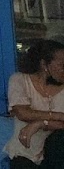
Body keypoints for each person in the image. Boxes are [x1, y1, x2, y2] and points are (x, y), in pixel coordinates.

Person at [6, 39, 64, 167]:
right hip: (24, 153)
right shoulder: (19, 80)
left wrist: (40, 123)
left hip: (57, 155)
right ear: (44, 65)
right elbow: (23, 113)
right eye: (62, 65)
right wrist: (59, 116)